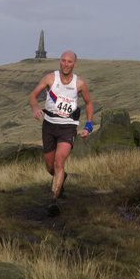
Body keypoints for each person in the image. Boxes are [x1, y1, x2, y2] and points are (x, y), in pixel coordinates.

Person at [28, 50, 94, 216]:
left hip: (68, 127)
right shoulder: (50, 78)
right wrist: (35, 108)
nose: (66, 64)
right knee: (50, 166)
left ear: (74, 64)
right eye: (63, 60)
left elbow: (88, 103)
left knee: (59, 162)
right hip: (49, 126)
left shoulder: (79, 83)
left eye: (69, 61)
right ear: (60, 61)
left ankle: (53, 201)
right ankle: (61, 177)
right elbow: (33, 96)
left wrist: (88, 125)